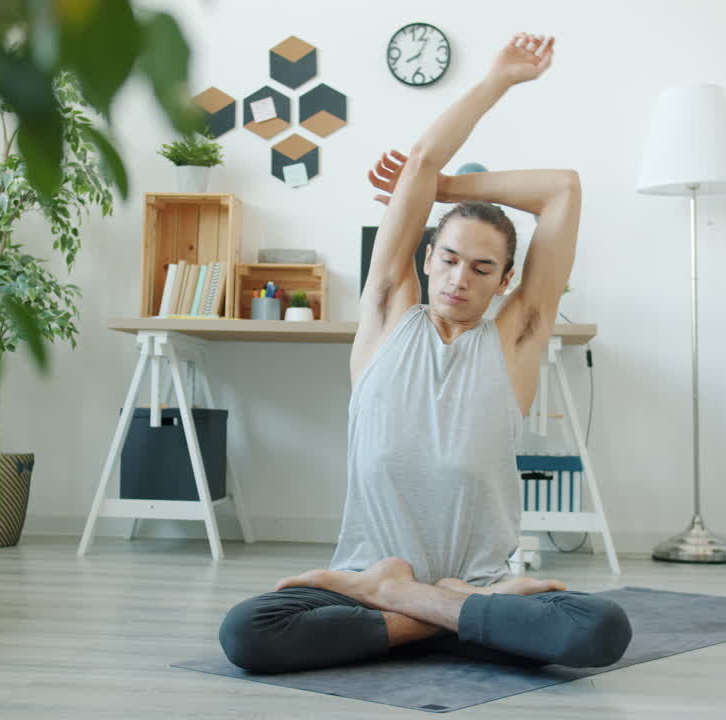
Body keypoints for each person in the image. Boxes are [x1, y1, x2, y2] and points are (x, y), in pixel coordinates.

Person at [218, 33, 632, 674]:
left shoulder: (514, 340)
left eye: (482, 267)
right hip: (460, 603)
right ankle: (443, 615)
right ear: (427, 257)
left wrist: (447, 187)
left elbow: (563, 191)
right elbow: (416, 162)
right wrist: (494, 81)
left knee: (601, 630)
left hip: (469, 585)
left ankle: (400, 600)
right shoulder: (386, 313)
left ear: (503, 282)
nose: (459, 278)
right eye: (448, 258)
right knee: (247, 632)